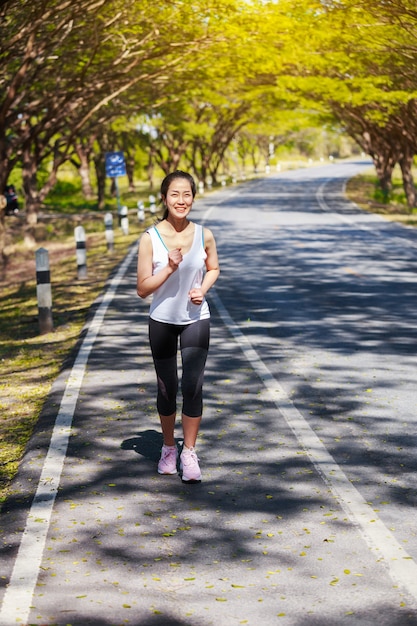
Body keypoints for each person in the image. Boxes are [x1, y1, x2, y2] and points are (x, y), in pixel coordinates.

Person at [137, 171, 220, 483]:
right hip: (162, 321)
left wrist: (203, 288)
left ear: (193, 198)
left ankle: (189, 452)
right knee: (166, 387)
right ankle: (169, 447)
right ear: (164, 198)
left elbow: (213, 268)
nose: (181, 200)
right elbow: (143, 289)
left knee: (193, 386)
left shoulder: (204, 234)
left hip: (196, 320)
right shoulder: (150, 239)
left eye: (187, 194)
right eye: (175, 194)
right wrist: (170, 267)